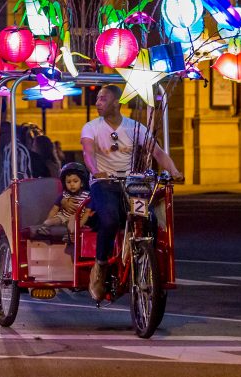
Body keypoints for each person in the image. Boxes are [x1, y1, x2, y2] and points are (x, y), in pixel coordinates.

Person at [81, 84, 183, 301]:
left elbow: (156, 151)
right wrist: (96, 171)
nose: (98, 102)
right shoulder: (91, 127)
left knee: (151, 219)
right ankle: (100, 267)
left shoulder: (133, 127)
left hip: (129, 183)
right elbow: (88, 153)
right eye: (97, 99)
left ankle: (146, 264)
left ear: (117, 102)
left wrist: (173, 170)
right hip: (103, 183)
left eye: (103, 99)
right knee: (109, 220)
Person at [37, 161, 92, 239]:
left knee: (72, 223)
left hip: (76, 218)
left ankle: (70, 236)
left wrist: (79, 225)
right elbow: (54, 209)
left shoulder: (87, 196)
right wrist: (49, 220)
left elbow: (87, 213)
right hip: (63, 217)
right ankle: (44, 230)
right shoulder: (64, 195)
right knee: (48, 222)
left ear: (82, 183)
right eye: (68, 182)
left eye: (75, 181)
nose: (72, 184)